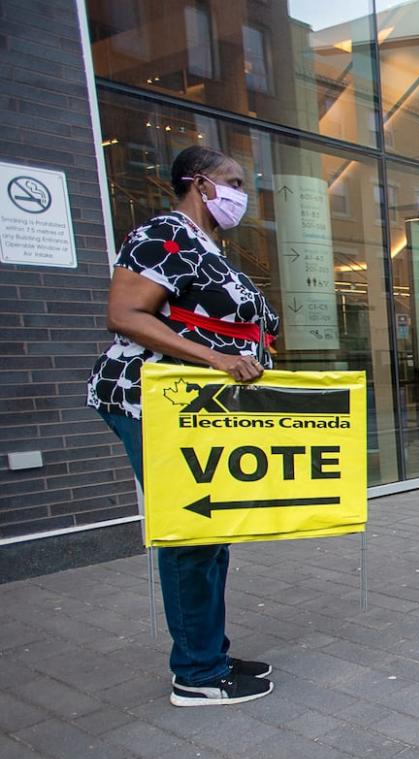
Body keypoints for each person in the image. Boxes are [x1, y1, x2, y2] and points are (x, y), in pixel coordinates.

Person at [87, 145, 280, 707]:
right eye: (235, 181)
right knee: (192, 532)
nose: (243, 194)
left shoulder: (206, 247)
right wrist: (218, 359)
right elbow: (124, 314)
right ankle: (196, 674)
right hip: (151, 400)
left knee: (210, 531)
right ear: (199, 183)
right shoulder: (163, 235)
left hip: (194, 408)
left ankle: (208, 651)